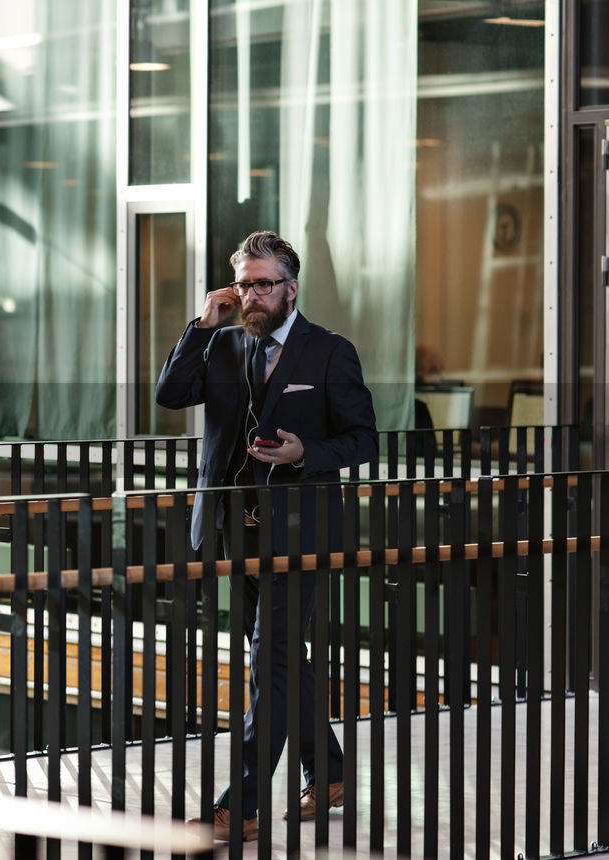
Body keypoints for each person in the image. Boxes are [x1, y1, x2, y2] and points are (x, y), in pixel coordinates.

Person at [154, 230, 378, 842]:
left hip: (303, 531)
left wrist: (309, 453)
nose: (251, 296)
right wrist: (202, 324)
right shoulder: (224, 345)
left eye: (263, 284)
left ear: (291, 288)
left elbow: (364, 439)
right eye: (243, 284)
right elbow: (169, 395)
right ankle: (329, 772)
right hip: (236, 529)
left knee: (270, 660)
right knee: (278, 656)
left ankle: (243, 805)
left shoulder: (330, 352)